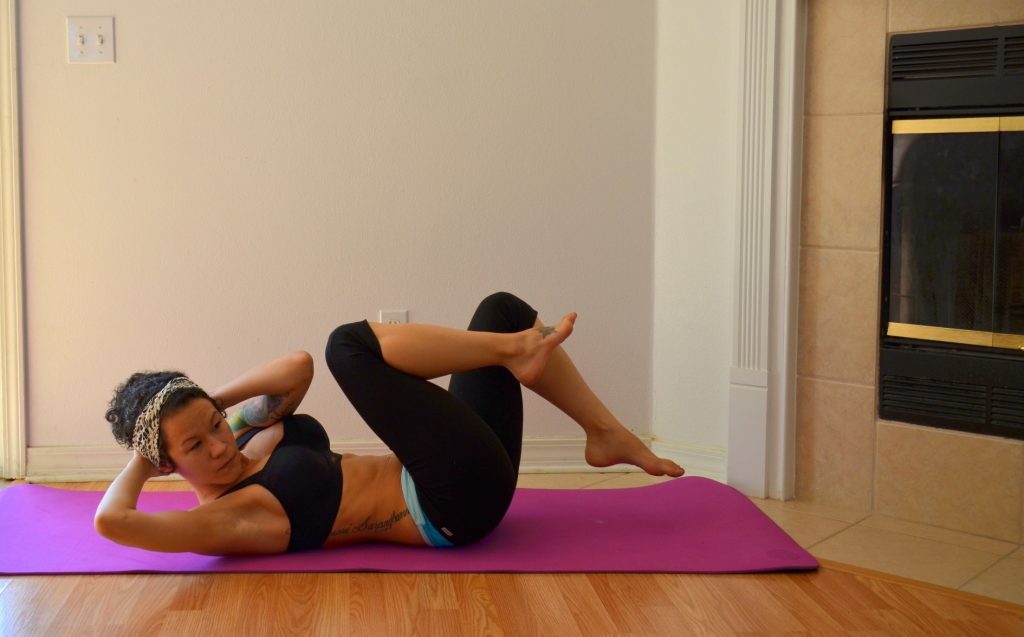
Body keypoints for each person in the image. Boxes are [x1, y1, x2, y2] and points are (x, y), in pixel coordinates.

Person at [95, 292, 685, 555]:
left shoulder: (248, 435)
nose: (219, 446)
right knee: (347, 347)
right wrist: (144, 459)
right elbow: (113, 522)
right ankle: (514, 352)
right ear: (169, 463)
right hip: (450, 507)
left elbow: (294, 370)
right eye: (195, 445)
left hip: (464, 473)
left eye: (215, 426)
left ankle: (603, 434)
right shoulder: (229, 517)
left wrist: (202, 402)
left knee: (502, 312)